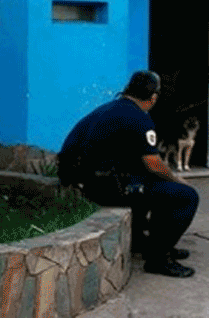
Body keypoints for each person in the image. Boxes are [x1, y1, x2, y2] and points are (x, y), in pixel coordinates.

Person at [57, 70, 200, 278]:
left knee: (151, 184)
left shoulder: (107, 109)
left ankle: (146, 242)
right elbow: (153, 163)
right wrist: (179, 180)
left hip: (81, 182)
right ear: (153, 98)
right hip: (105, 188)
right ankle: (158, 258)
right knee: (185, 196)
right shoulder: (139, 117)